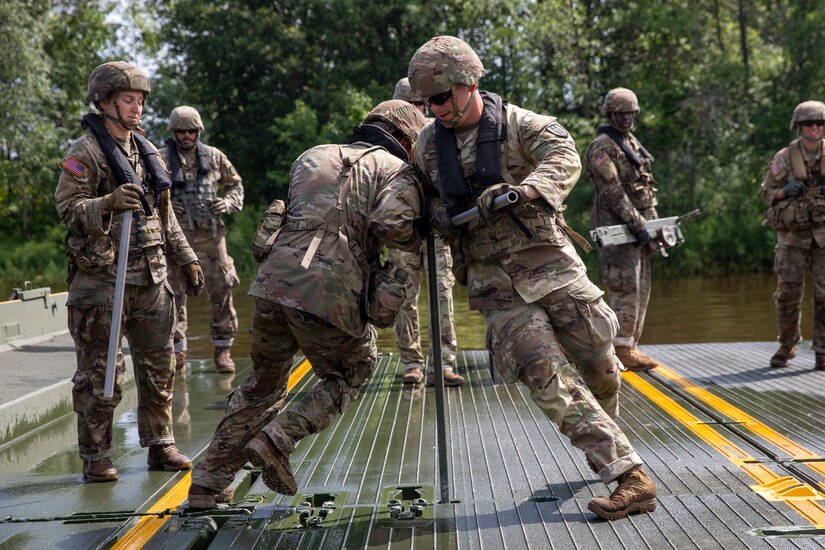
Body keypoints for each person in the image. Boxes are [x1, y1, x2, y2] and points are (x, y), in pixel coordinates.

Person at [409, 35, 657, 520]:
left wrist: (525, 191)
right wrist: (436, 215)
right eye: (425, 101)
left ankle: (609, 437)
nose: (434, 108)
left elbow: (564, 157)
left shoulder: (523, 125)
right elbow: (422, 199)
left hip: (552, 267)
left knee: (601, 367)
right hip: (493, 284)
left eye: (440, 97)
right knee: (546, 374)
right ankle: (629, 476)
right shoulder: (426, 147)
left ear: (469, 83)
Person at [187, 100, 426, 508]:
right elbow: (393, 228)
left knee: (262, 385)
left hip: (272, 282)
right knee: (353, 371)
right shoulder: (395, 170)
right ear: (406, 138)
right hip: (328, 289)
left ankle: (206, 484)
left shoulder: (311, 155)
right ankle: (278, 440)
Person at [55, 61, 202, 482]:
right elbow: (68, 209)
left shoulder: (147, 152)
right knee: (101, 374)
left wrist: (187, 258)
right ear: (104, 103)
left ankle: (160, 444)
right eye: (127, 100)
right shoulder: (84, 153)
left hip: (152, 278)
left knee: (160, 366)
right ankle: (96, 456)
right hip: (103, 282)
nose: (136, 108)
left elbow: (165, 216)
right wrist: (106, 203)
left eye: (140, 101)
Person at [388, 77, 462, 386]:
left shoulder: (440, 133)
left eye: (421, 105)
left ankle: (443, 362)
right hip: (403, 229)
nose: (417, 111)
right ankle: (411, 362)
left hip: (436, 227)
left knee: (442, 295)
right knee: (403, 295)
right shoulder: (387, 138)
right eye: (410, 105)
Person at [160, 106, 244, 374]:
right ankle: (178, 352)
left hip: (211, 238)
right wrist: (168, 206)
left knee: (222, 290)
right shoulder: (160, 159)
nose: (186, 136)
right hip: (177, 238)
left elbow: (236, 184)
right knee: (174, 296)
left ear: (198, 131)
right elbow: (147, 193)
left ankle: (223, 350)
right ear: (174, 132)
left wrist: (228, 203)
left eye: (190, 131)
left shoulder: (215, 157)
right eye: (181, 131)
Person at [584, 88, 659, 371]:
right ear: (610, 114)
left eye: (630, 113)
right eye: (620, 113)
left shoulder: (630, 143)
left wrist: (651, 225)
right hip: (618, 232)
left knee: (641, 288)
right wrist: (637, 223)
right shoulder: (604, 147)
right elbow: (612, 192)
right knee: (624, 288)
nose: (626, 118)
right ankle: (621, 348)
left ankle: (629, 345)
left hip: (638, 232)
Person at [761, 100, 825, 370]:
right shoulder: (784, 158)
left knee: (824, 295)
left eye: (819, 123)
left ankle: (822, 351)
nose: (814, 128)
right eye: (809, 123)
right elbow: (765, 194)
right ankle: (787, 344)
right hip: (792, 238)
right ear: (798, 126)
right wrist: (784, 191)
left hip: (823, 237)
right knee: (787, 294)